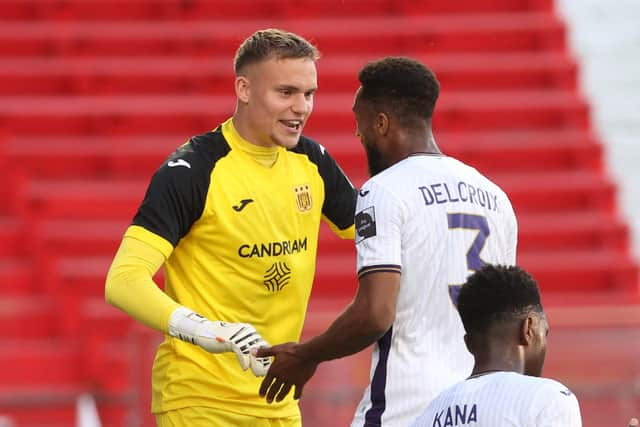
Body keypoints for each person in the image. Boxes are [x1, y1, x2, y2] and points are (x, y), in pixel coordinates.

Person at [104, 28, 357, 426]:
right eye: (286, 92)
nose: (301, 108)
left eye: (309, 94)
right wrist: (208, 332)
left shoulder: (312, 161)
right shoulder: (194, 170)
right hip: (198, 399)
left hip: (278, 398)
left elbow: (369, 229)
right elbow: (122, 280)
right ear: (244, 88)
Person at [257, 56, 518, 426]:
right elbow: (510, 316)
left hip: (407, 407)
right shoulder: (494, 197)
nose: (358, 135)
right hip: (480, 406)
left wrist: (306, 355)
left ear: (381, 123)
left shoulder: (384, 191)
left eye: (359, 122)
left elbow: (375, 313)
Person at [409, 264, 582, 426]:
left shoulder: (427, 416)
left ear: (469, 344)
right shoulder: (548, 399)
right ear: (528, 328)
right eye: (545, 333)